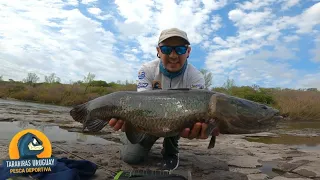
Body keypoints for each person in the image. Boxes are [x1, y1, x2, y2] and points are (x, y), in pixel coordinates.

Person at [108, 28, 219, 170]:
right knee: (131, 158)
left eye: (179, 49)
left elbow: (198, 114)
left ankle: (170, 151)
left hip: (177, 121)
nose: (173, 55)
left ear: (188, 52)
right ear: (158, 51)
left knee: (185, 117)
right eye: (166, 49)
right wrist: (129, 121)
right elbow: (141, 107)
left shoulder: (195, 76)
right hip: (147, 121)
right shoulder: (147, 70)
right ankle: (130, 137)